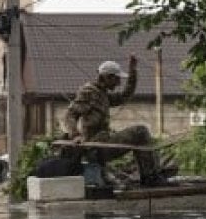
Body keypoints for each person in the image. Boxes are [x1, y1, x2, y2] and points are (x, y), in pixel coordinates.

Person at [63, 55, 164, 186]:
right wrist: (75, 135)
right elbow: (70, 115)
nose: (118, 83)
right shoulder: (89, 92)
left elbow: (124, 96)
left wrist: (133, 71)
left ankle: (150, 175)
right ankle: (150, 177)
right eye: (117, 79)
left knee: (141, 137)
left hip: (104, 143)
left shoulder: (102, 93)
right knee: (140, 131)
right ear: (107, 77)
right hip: (96, 147)